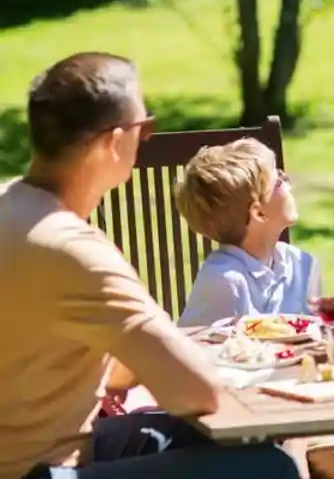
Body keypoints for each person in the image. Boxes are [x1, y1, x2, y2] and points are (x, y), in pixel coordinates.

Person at [0, 52, 300, 479]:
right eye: (146, 129)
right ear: (115, 140)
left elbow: (109, 370)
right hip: (35, 470)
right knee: (267, 466)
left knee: (212, 438)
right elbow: (198, 393)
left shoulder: (10, 208)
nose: (145, 140)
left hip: (43, 447)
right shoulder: (73, 250)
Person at [174, 138, 334, 479]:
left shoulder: (301, 264)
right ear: (258, 212)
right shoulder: (224, 280)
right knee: (290, 468)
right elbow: (193, 356)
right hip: (251, 429)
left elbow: (323, 340)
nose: (288, 180)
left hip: (309, 414)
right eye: (278, 180)